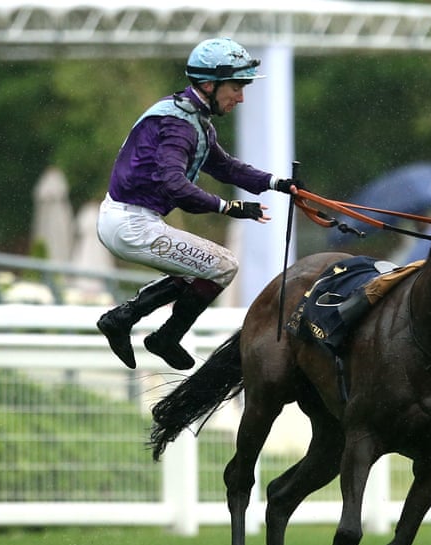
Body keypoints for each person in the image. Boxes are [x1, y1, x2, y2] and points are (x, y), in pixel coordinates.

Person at [95, 37, 302, 370]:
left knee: (210, 267)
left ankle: (126, 319)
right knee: (223, 266)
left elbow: (224, 167)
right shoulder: (179, 125)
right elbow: (173, 184)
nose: (241, 97)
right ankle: (159, 335)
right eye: (236, 87)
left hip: (129, 219)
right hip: (131, 224)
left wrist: (277, 183)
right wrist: (229, 207)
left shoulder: (193, 119)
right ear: (209, 84)